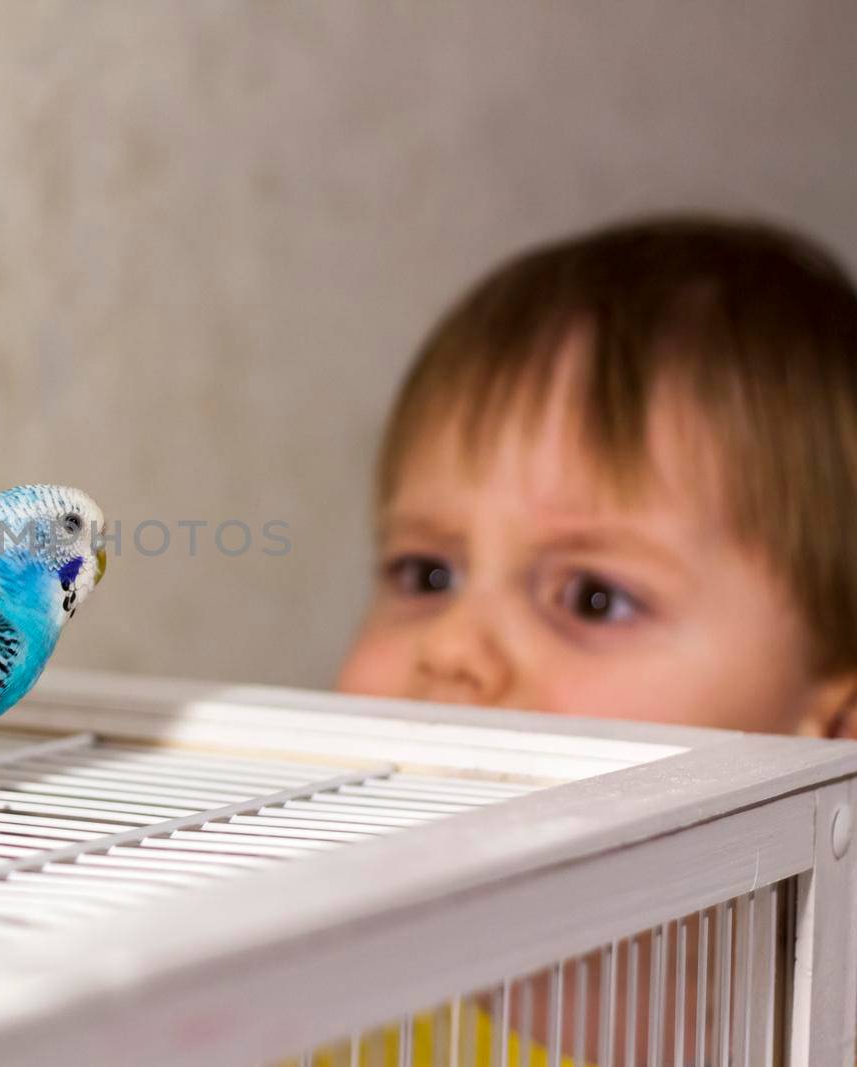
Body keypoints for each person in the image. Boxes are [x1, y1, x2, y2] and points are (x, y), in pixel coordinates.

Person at [325, 215, 857, 1066]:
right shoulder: (301, 1024)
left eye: (594, 597)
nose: (454, 647)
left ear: (836, 726)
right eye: (427, 574)